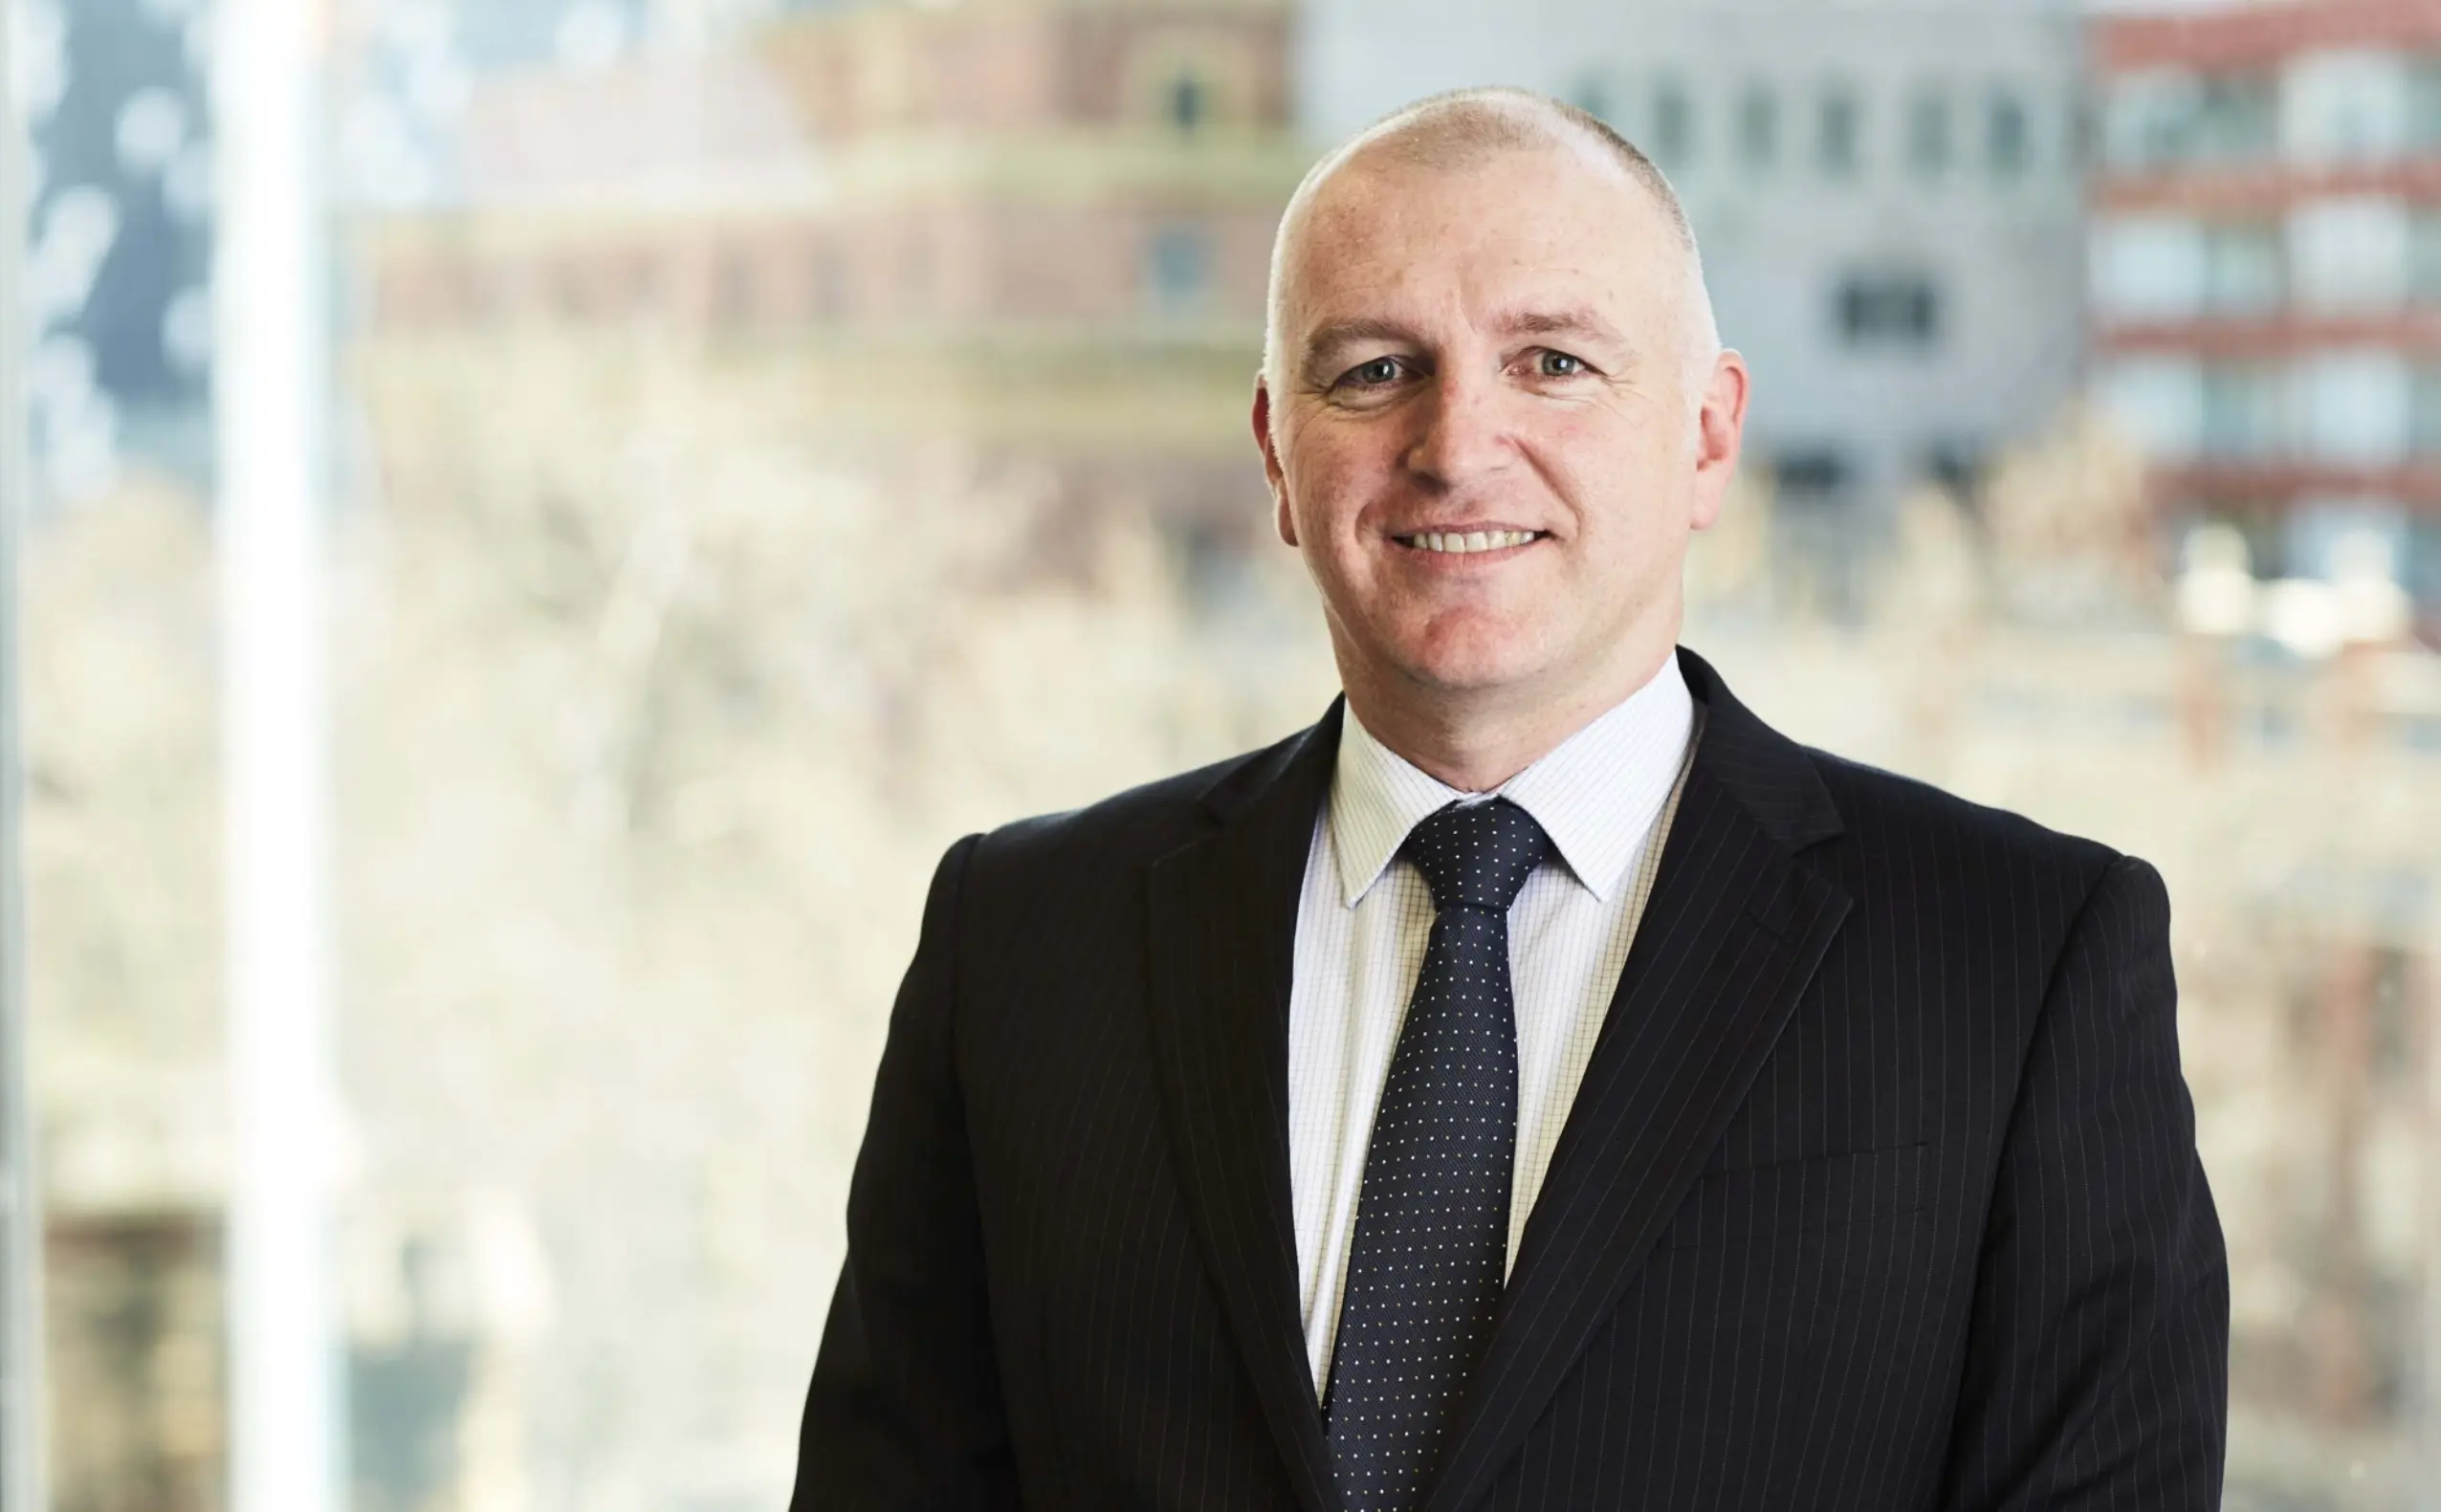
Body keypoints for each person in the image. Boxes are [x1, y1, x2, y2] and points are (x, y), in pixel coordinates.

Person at [792, 87, 2228, 1511]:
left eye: (1550, 362)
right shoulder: (1026, 943)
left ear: (1707, 438)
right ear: (1276, 455)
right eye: (1370, 371)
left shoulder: (2020, 956)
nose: (1457, 444)